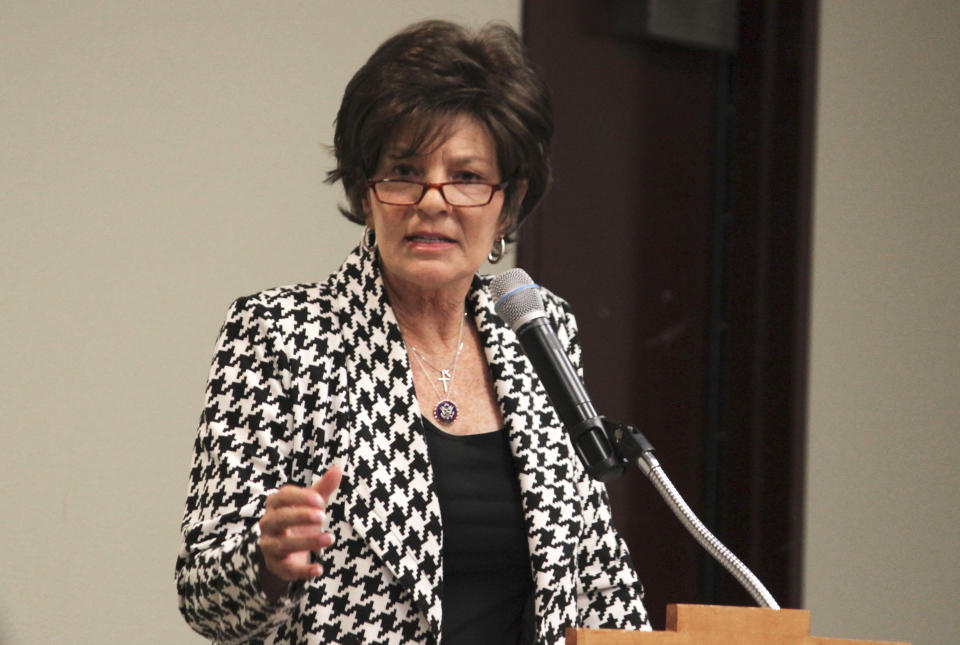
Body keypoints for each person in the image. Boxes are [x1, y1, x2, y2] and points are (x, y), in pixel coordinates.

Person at [176, 19, 649, 645]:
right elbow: (202, 596)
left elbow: (594, 576)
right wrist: (265, 564)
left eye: (467, 176)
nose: (433, 200)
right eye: (403, 171)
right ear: (365, 191)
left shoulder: (540, 332)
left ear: (508, 204)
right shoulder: (280, 335)